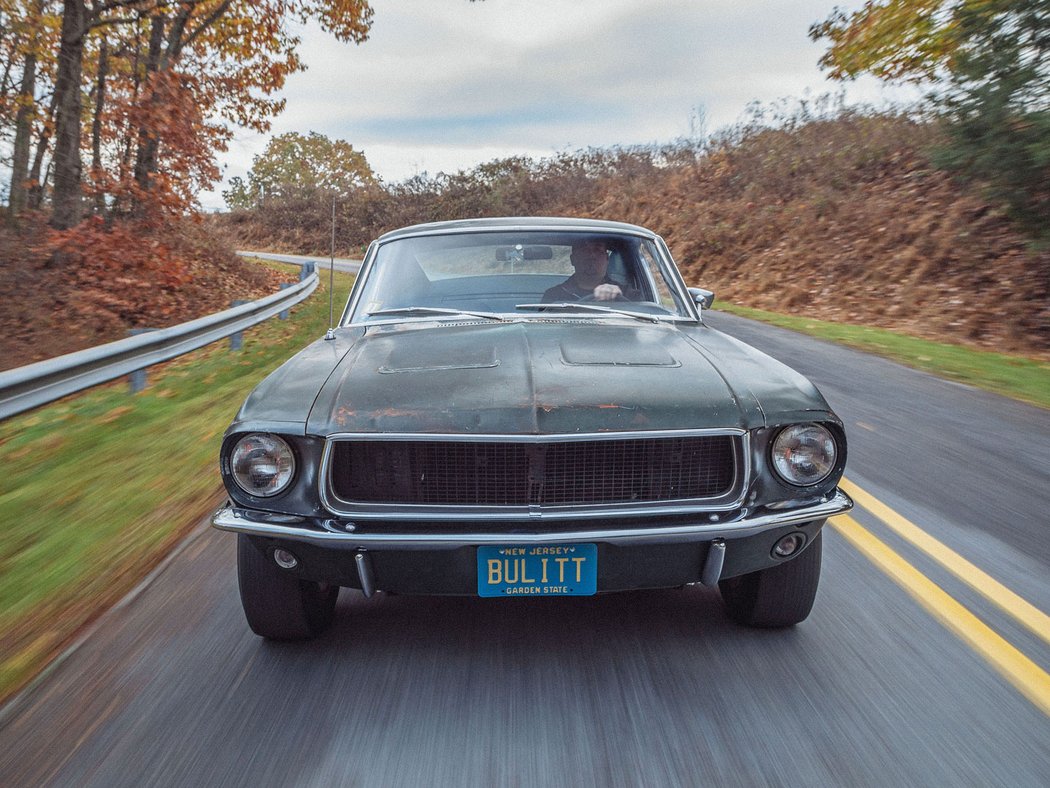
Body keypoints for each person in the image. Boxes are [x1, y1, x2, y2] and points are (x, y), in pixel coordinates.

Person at [541, 239, 639, 302]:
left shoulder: (628, 294)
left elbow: (643, 325)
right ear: (573, 259)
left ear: (607, 259)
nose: (592, 256)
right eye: (584, 250)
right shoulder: (554, 296)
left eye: (598, 250)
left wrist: (617, 298)